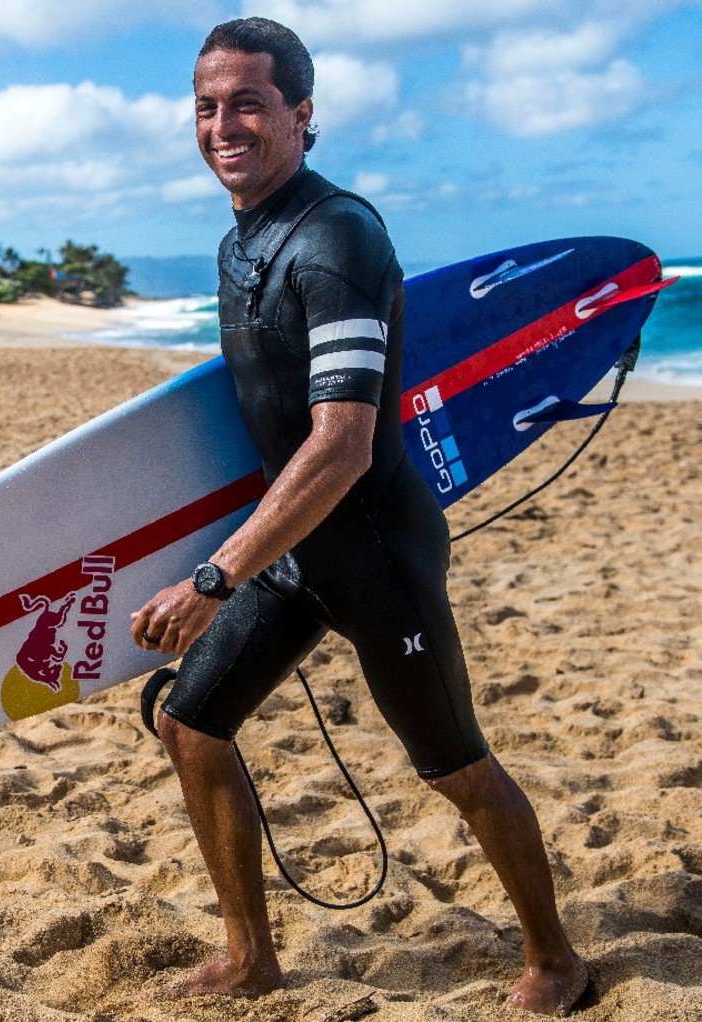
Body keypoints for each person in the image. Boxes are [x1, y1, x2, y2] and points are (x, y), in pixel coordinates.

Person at [130, 17, 589, 1016]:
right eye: (207, 107)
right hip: (296, 545)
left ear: (301, 115)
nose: (223, 125)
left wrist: (214, 577)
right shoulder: (241, 237)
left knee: (454, 761)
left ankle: (555, 958)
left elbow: (340, 440)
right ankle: (251, 954)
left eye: (248, 103)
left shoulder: (335, 236)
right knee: (190, 721)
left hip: (373, 546)